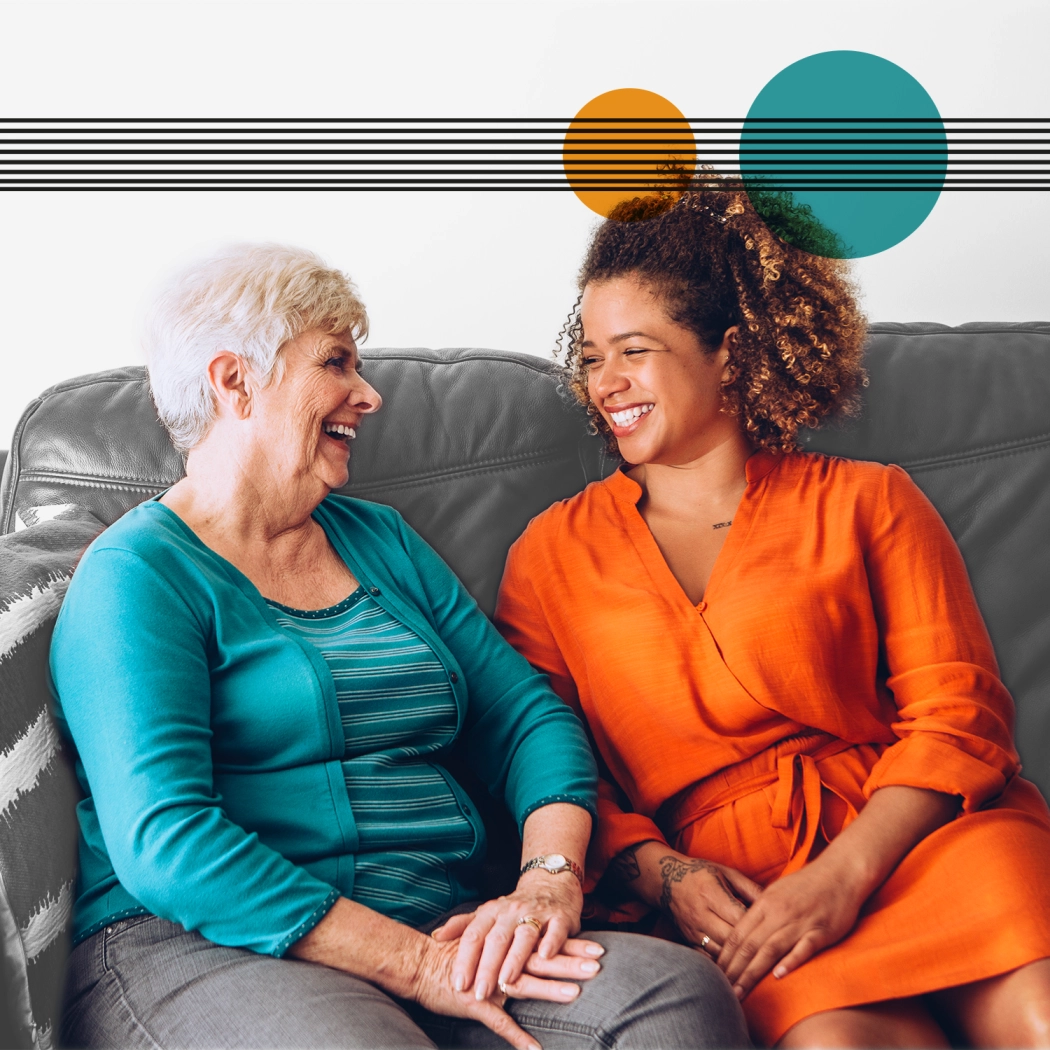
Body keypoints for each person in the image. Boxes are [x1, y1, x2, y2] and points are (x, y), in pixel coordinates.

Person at [50, 244, 750, 1050]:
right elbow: (165, 842)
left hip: (437, 925)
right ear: (234, 381)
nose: (369, 395)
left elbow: (527, 719)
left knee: (669, 999)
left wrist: (545, 883)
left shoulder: (378, 539)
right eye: (336, 362)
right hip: (202, 946)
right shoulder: (139, 576)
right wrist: (414, 966)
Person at [494, 184, 1050, 1048]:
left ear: (730, 351)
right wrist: (668, 875)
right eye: (593, 356)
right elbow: (552, 768)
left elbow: (960, 716)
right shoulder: (550, 554)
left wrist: (841, 877)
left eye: (634, 351)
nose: (607, 383)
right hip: (742, 897)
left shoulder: (870, 501)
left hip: (915, 846)